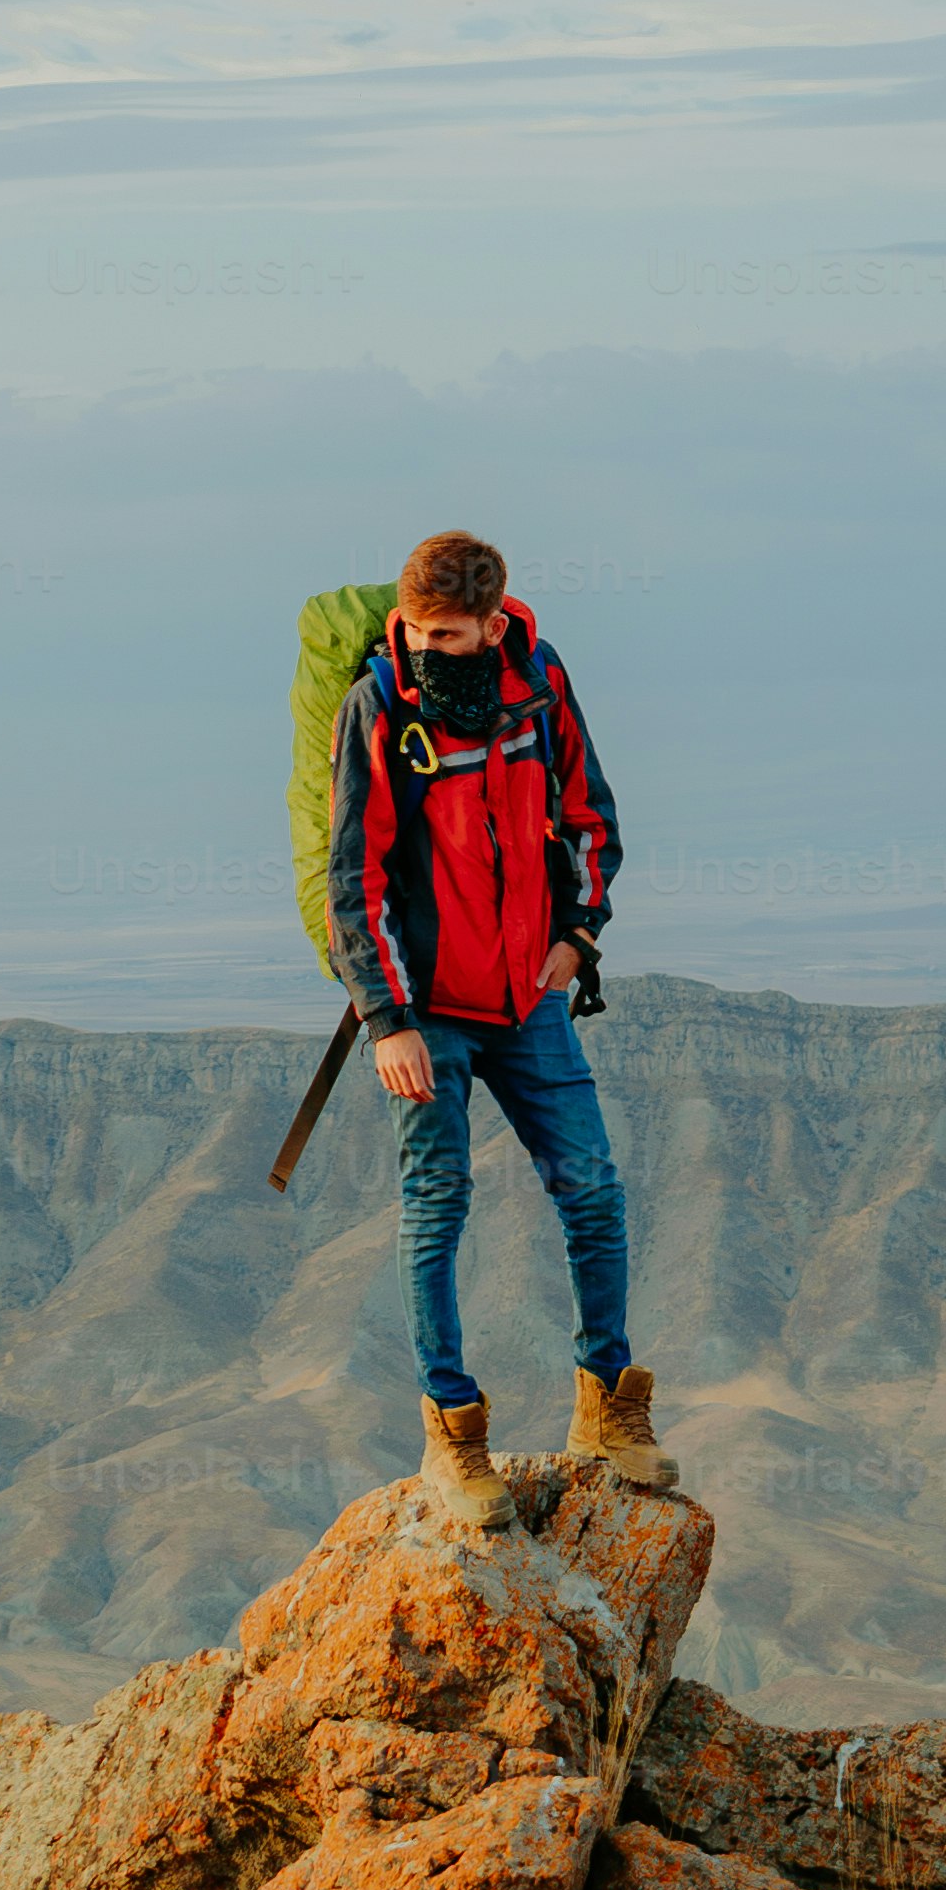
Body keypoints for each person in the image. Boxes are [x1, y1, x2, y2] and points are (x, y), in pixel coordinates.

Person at [326, 530, 667, 1527]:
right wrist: (388, 1021)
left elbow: (592, 814)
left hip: (529, 1001)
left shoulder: (537, 681)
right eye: (425, 631)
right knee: (438, 1206)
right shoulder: (382, 706)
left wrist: (580, 932)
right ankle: (452, 1431)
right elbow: (359, 875)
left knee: (593, 1188)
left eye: (458, 633)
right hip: (428, 1012)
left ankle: (607, 1409)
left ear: (495, 621)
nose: (441, 648)